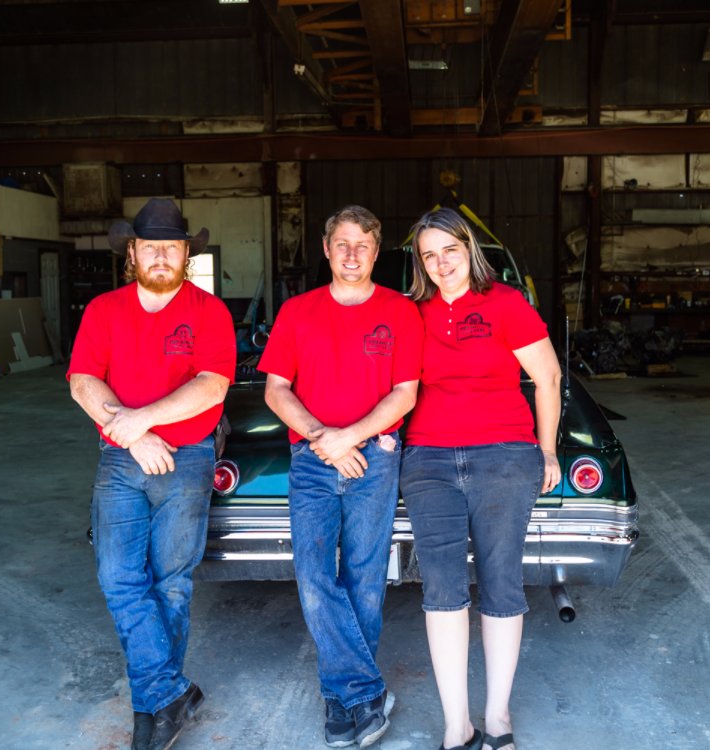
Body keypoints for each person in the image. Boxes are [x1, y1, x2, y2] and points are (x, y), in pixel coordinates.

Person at [67, 198, 236, 750]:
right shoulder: (104, 310)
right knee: (118, 576)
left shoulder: (210, 311)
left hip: (188, 460)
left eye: (172, 247)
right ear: (132, 253)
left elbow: (212, 385)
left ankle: (154, 711)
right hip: (122, 459)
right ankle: (168, 692)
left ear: (187, 254)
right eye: (150, 247)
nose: (161, 256)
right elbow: (82, 382)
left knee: (171, 584)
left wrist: (142, 419)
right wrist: (133, 435)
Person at [259, 205, 424, 748]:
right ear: (327, 249)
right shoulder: (297, 312)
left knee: (364, 578)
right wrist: (322, 438)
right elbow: (276, 389)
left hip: (375, 458)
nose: (352, 254)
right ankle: (363, 692)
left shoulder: (401, 311)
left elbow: (405, 393)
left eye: (363, 244)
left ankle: (342, 697)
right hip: (312, 459)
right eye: (343, 243)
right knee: (313, 576)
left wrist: (348, 437)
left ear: (376, 252)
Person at [399, 208, 562, 750]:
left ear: (469, 248)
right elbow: (393, 385)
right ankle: (457, 725)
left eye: (450, 250)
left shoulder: (506, 303)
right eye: (429, 255)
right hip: (429, 460)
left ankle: (497, 717)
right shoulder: (411, 312)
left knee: (501, 581)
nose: (441, 263)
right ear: (420, 263)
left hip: (504, 456)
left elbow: (548, 377)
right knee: (442, 588)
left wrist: (547, 450)